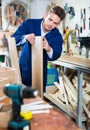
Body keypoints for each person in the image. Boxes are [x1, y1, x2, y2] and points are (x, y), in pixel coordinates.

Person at [12, 6, 66, 92]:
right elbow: (14, 38)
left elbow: (56, 54)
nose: (50, 24)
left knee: (38, 97)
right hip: (23, 67)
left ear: (58, 24)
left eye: (55, 23)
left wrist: (49, 49)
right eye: (50, 19)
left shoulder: (57, 36)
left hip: (40, 71)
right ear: (45, 16)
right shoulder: (29, 23)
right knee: (22, 97)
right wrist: (25, 37)